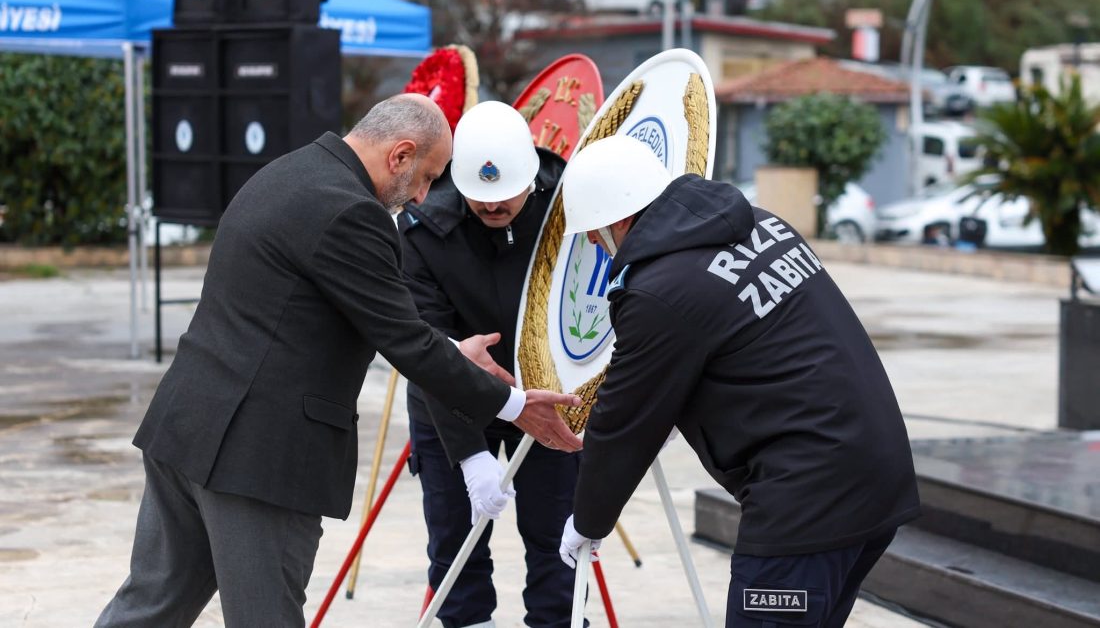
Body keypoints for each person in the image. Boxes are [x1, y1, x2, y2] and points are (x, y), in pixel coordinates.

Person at [95, 94, 582, 628]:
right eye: (426, 177)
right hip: (257, 459)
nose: (423, 195)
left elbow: (372, 321)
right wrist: (513, 405)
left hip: (186, 429)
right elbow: (405, 341)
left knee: (149, 608)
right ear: (399, 154)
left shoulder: (289, 172)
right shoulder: (354, 213)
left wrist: (447, 351)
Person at [555, 136, 920, 628]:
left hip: (806, 502)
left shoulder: (660, 291)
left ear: (619, 219)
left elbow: (624, 420)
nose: (598, 246)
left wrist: (588, 519)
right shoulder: (764, 224)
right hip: (875, 474)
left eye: (596, 234)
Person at [398, 101, 581, 628]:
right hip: (451, 397)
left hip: (546, 395)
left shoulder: (569, 205)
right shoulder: (421, 228)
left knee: (557, 543)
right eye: (480, 198)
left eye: (506, 196)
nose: (494, 207)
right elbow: (426, 346)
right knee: (456, 546)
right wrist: (469, 454)